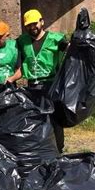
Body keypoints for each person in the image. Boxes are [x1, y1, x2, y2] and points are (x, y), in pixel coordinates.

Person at [17, 9, 69, 151]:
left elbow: (72, 51)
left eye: (35, 23)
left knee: (54, 118)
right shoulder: (22, 41)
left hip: (50, 85)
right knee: (35, 118)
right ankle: (40, 149)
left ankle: (58, 149)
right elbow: (7, 49)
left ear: (42, 22)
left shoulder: (56, 39)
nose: (32, 27)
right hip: (32, 86)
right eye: (28, 25)